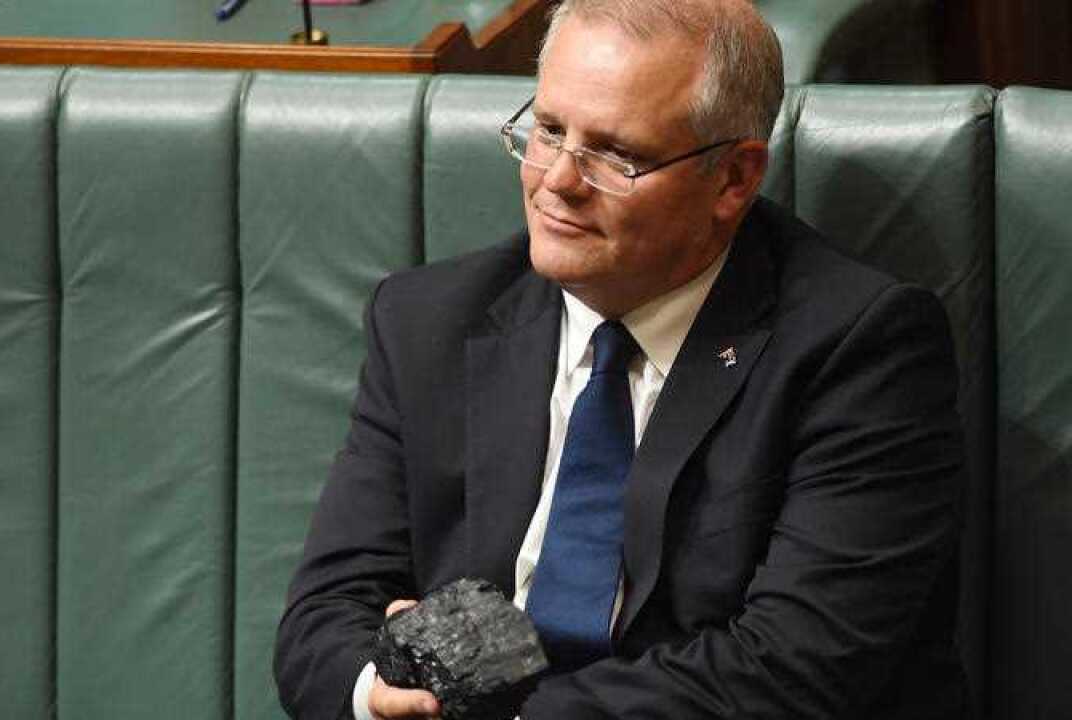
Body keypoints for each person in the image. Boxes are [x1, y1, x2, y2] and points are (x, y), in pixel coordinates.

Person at [275, 0, 967, 717]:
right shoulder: (428, 322)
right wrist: (371, 695)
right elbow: (324, 618)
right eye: (547, 131)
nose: (557, 182)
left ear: (733, 179)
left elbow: (795, 668)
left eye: (615, 156)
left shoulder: (858, 348)